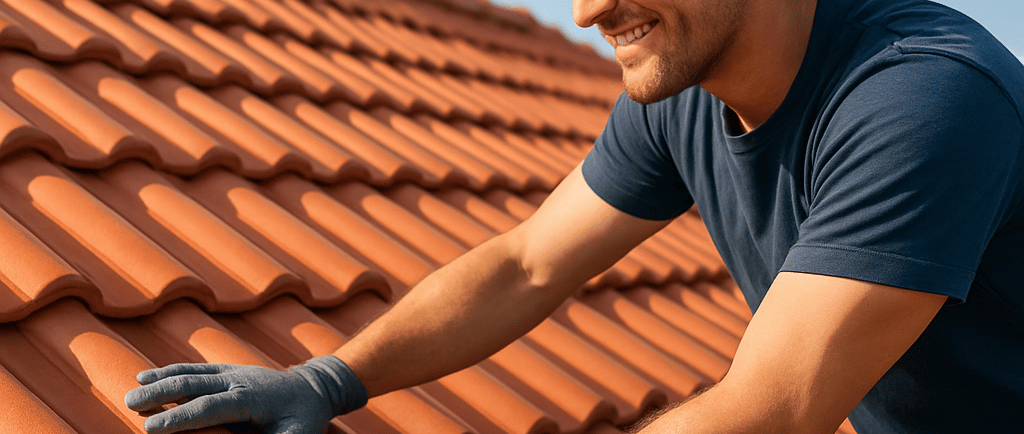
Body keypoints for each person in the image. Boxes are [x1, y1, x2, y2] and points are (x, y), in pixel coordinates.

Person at [125, 0, 1024, 432]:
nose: (590, 11)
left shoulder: (924, 97)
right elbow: (526, 264)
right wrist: (330, 380)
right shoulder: (680, 93)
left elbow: (775, 408)